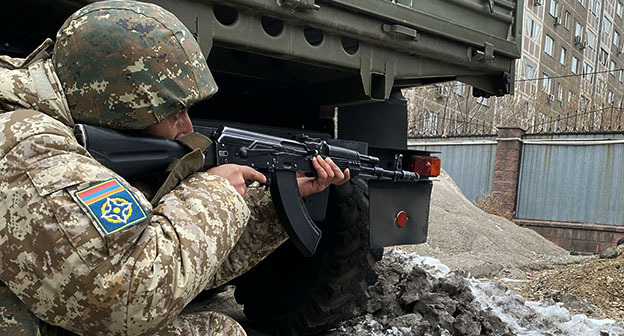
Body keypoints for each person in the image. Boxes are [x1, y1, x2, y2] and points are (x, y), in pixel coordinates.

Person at [0, 1, 349, 335]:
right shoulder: (28, 146)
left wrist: (273, 205)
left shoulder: (56, 125)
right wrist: (215, 193)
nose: (187, 127)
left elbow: (187, 267)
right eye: (173, 112)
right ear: (117, 105)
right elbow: (128, 298)